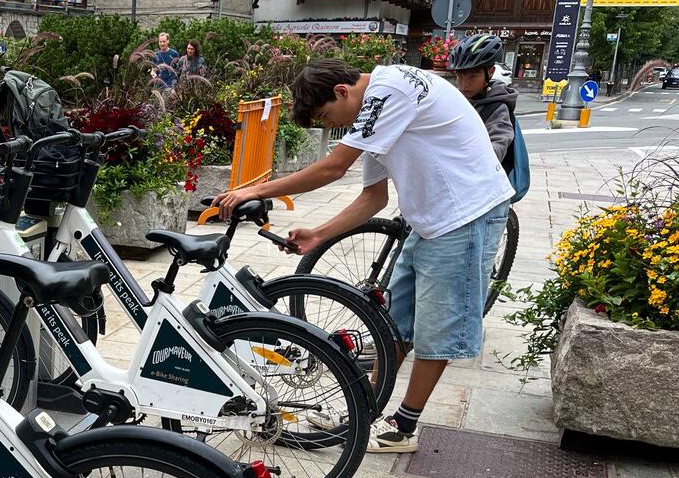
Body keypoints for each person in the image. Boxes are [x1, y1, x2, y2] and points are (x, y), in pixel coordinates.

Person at [213, 57, 513, 453]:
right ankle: (366, 411)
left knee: (437, 329)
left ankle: (401, 429)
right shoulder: (373, 110)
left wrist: (254, 190)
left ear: (341, 91)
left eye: (327, 116)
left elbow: (333, 169)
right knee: (394, 321)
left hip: (465, 217)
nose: (331, 126)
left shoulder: (390, 91)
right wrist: (319, 234)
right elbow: (374, 196)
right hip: (431, 219)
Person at [449, 33, 517, 171]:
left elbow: (499, 142)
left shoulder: (497, 107)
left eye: (473, 76)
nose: (464, 84)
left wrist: (477, 158)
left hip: (477, 180)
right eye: (460, 76)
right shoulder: (455, 99)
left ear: (490, 72)